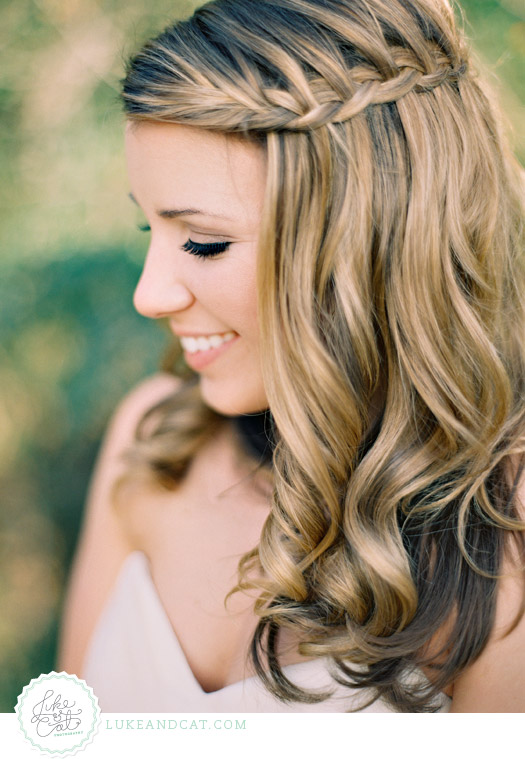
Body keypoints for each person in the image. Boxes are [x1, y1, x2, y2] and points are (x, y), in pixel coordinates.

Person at [57, 0, 525, 712]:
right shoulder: (152, 442)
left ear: (367, 244)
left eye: (203, 242)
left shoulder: (500, 538)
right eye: (145, 224)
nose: (148, 295)